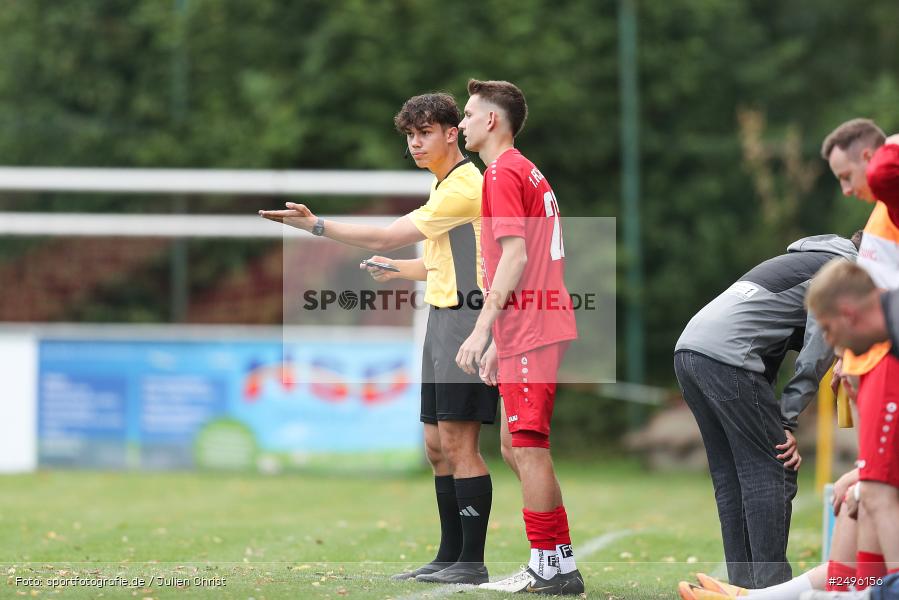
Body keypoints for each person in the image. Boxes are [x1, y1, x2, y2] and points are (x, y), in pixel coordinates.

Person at [259, 92, 498, 584]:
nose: (415, 143)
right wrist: (400, 271)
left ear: (452, 133)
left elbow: (389, 235)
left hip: (466, 322)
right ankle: (449, 557)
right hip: (442, 317)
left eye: (425, 132)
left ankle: (471, 565)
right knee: (435, 445)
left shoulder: (465, 185)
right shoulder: (443, 187)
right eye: (409, 135)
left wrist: (316, 226)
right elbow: (438, 265)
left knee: (458, 443)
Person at [450, 78, 583, 595]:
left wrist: (483, 332)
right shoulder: (523, 169)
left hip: (531, 325)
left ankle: (550, 567)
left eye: (466, 114)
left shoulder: (502, 173)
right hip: (526, 327)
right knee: (513, 445)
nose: (461, 123)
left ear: (491, 121)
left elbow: (516, 257)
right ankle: (557, 560)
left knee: (527, 447)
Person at [674, 233, 860, 589]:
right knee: (774, 466)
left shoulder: (800, 261)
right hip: (727, 358)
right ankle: (771, 588)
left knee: (730, 474)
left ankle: (740, 587)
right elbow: (815, 355)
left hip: (689, 351)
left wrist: (775, 416)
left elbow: (766, 344)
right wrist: (786, 420)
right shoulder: (843, 271)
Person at [820, 118, 899, 588]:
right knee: (865, 494)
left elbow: (888, 171)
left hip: (888, 361)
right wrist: (847, 358)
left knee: (873, 492)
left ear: (870, 158)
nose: (847, 191)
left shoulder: (890, 193)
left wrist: (890, 141)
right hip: (874, 360)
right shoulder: (881, 211)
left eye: (847, 176)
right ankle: (850, 592)